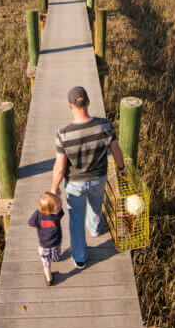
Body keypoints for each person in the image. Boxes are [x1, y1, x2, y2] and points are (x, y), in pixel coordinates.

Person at [51, 86, 126, 269]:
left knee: (76, 220)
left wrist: (54, 188)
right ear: (89, 102)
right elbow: (116, 149)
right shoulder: (105, 125)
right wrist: (121, 168)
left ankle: (80, 257)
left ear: (70, 106)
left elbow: (60, 168)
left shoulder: (63, 134)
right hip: (99, 178)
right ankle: (94, 229)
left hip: (75, 184)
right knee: (96, 205)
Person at [27, 192, 64, 286]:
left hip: (43, 244)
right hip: (56, 241)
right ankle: (55, 258)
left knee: (46, 263)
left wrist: (38, 226)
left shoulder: (37, 214)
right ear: (50, 210)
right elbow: (61, 212)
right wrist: (57, 196)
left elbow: (31, 223)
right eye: (58, 208)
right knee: (56, 252)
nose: (59, 209)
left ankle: (49, 279)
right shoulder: (57, 216)